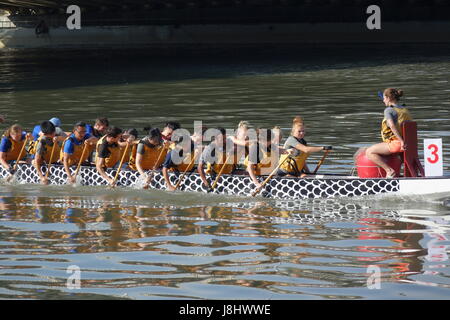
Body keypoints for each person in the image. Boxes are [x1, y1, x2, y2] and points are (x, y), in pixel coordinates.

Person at [365, 88, 412, 178]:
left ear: (388, 98)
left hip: (397, 144)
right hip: (408, 144)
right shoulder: (404, 109)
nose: (383, 100)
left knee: (369, 151)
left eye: (384, 98)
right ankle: (404, 174)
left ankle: (389, 171)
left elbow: (392, 126)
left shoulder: (389, 110)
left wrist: (401, 141)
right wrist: (403, 141)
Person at [32, 121, 61, 185]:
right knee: (34, 161)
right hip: (43, 162)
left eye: (54, 132)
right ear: (45, 134)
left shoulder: (56, 133)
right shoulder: (42, 142)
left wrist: (59, 138)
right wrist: (42, 177)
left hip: (55, 161)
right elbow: (37, 160)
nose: (54, 134)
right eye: (51, 133)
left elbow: (68, 137)